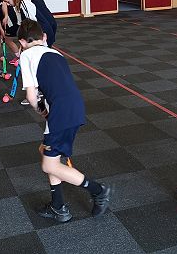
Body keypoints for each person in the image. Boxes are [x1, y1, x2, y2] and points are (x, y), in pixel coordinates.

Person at [17, 18, 111, 222]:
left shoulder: (26, 55)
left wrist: (42, 112)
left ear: (22, 42)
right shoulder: (55, 53)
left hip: (60, 112)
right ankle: (58, 207)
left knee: (49, 166)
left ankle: (98, 190)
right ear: (44, 37)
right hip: (74, 106)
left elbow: (31, 97)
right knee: (46, 153)